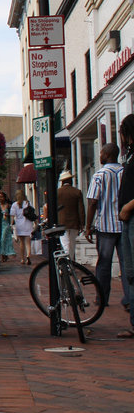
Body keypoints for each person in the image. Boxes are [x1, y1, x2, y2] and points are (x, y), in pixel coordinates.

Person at [85, 142, 124, 309]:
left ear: (107, 155)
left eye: (101, 153)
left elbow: (93, 202)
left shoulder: (99, 175)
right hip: (124, 224)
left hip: (106, 226)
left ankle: (102, 298)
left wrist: (88, 226)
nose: (99, 156)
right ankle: (130, 300)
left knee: (104, 264)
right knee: (127, 263)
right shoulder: (125, 172)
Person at [117, 114, 134, 338]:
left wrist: (128, 206)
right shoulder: (130, 156)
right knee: (129, 271)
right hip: (127, 221)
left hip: (131, 217)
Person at [56, 170, 85, 261]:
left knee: (65, 243)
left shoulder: (57, 193)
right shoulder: (76, 192)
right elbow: (81, 209)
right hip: (74, 223)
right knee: (72, 244)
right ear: (70, 181)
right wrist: (82, 223)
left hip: (61, 222)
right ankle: (70, 262)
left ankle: (67, 263)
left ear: (62, 182)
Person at [11, 189, 35, 265]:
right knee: (28, 242)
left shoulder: (15, 205)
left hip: (19, 225)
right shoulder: (28, 203)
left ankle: (22, 259)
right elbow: (32, 212)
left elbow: (12, 216)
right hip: (28, 224)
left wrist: (11, 225)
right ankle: (28, 256)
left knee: (21, 243)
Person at [0, 190, 15, 262]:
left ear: (4, 198)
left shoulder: (8, 206)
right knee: (1, 240)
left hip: (6, 225)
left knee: (3, 239)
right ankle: (4, 254)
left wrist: (7, 215)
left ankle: (3, 255)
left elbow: (12, 215)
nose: (0, 198)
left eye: (1, 197)